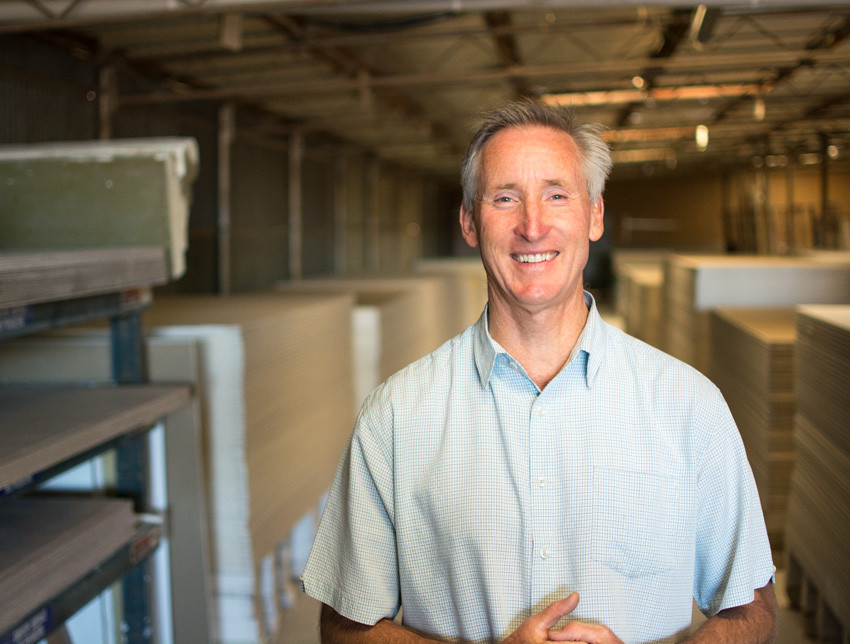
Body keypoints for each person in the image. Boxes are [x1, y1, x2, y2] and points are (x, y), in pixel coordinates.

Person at [301, 99, 777, 643]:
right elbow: (344, 625)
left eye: (557, 195)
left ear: (595, 214)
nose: (533, 225)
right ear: (470, 223)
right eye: (505, 199)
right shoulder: (396, 416)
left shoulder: (689, 405)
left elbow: (751, 610)